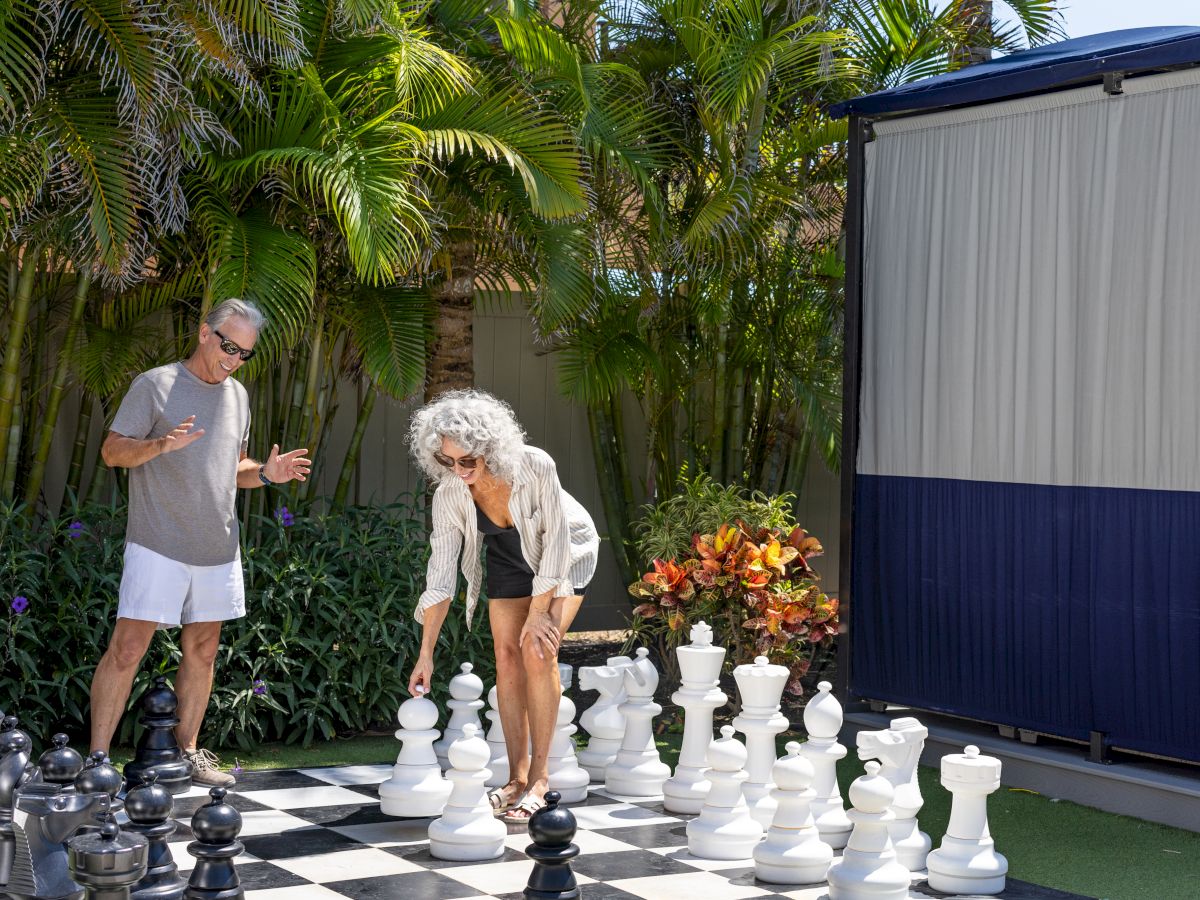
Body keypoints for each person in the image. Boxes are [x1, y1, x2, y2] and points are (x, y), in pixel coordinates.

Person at [89, 298, 312, 786]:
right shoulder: (156, 385)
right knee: (127, 648)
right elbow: (111, 452)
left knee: (205, 650)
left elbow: (233, 469)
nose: (233, 359)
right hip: (157, 541)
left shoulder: (238, 397)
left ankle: (188, 751)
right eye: (228, 346)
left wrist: (268, 475)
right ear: (204, 333)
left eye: (245, 353)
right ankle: (98, 760)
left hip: (217, 547)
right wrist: (161, 444)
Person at [407, 389, 599, 821]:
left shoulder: (535, 465)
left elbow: (556, 543)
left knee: (537, 648)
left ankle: (542, 780)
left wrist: (538, 611)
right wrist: (426, 654)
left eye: (466, 462)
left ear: (490, 450)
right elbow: (441, 576)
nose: (457, 472)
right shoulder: (451, 494)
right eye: (446, 462)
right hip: (508, 557)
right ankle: (516, 779)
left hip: (565, 551)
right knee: (506, 656)